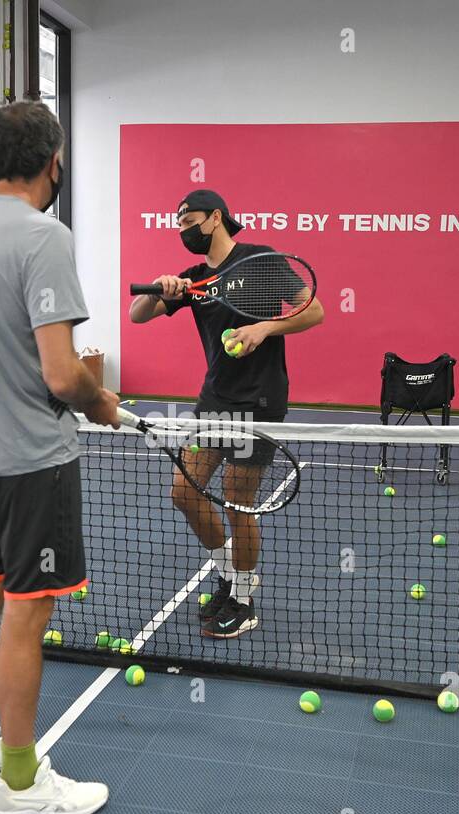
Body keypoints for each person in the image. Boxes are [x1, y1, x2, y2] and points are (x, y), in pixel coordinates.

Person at [0, 99, 118, 814]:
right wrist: (100, 402)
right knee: (25, 614)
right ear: (53, 161)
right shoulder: (45, 236)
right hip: (32, 460)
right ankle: (19, 783)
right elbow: (61, 374)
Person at [128, 190, 324, 638]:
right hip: (214, 400)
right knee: (184, 491)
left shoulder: (262, 261)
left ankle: (244, 598)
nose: (183, 230)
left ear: (215, 218)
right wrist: (161, 288)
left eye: (189, 220)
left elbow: (313, 310)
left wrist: (264, 327)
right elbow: (139, 315)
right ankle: (230, 573)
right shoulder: (194, 280)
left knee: (238, 502)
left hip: (259, 400)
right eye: (177, 224)